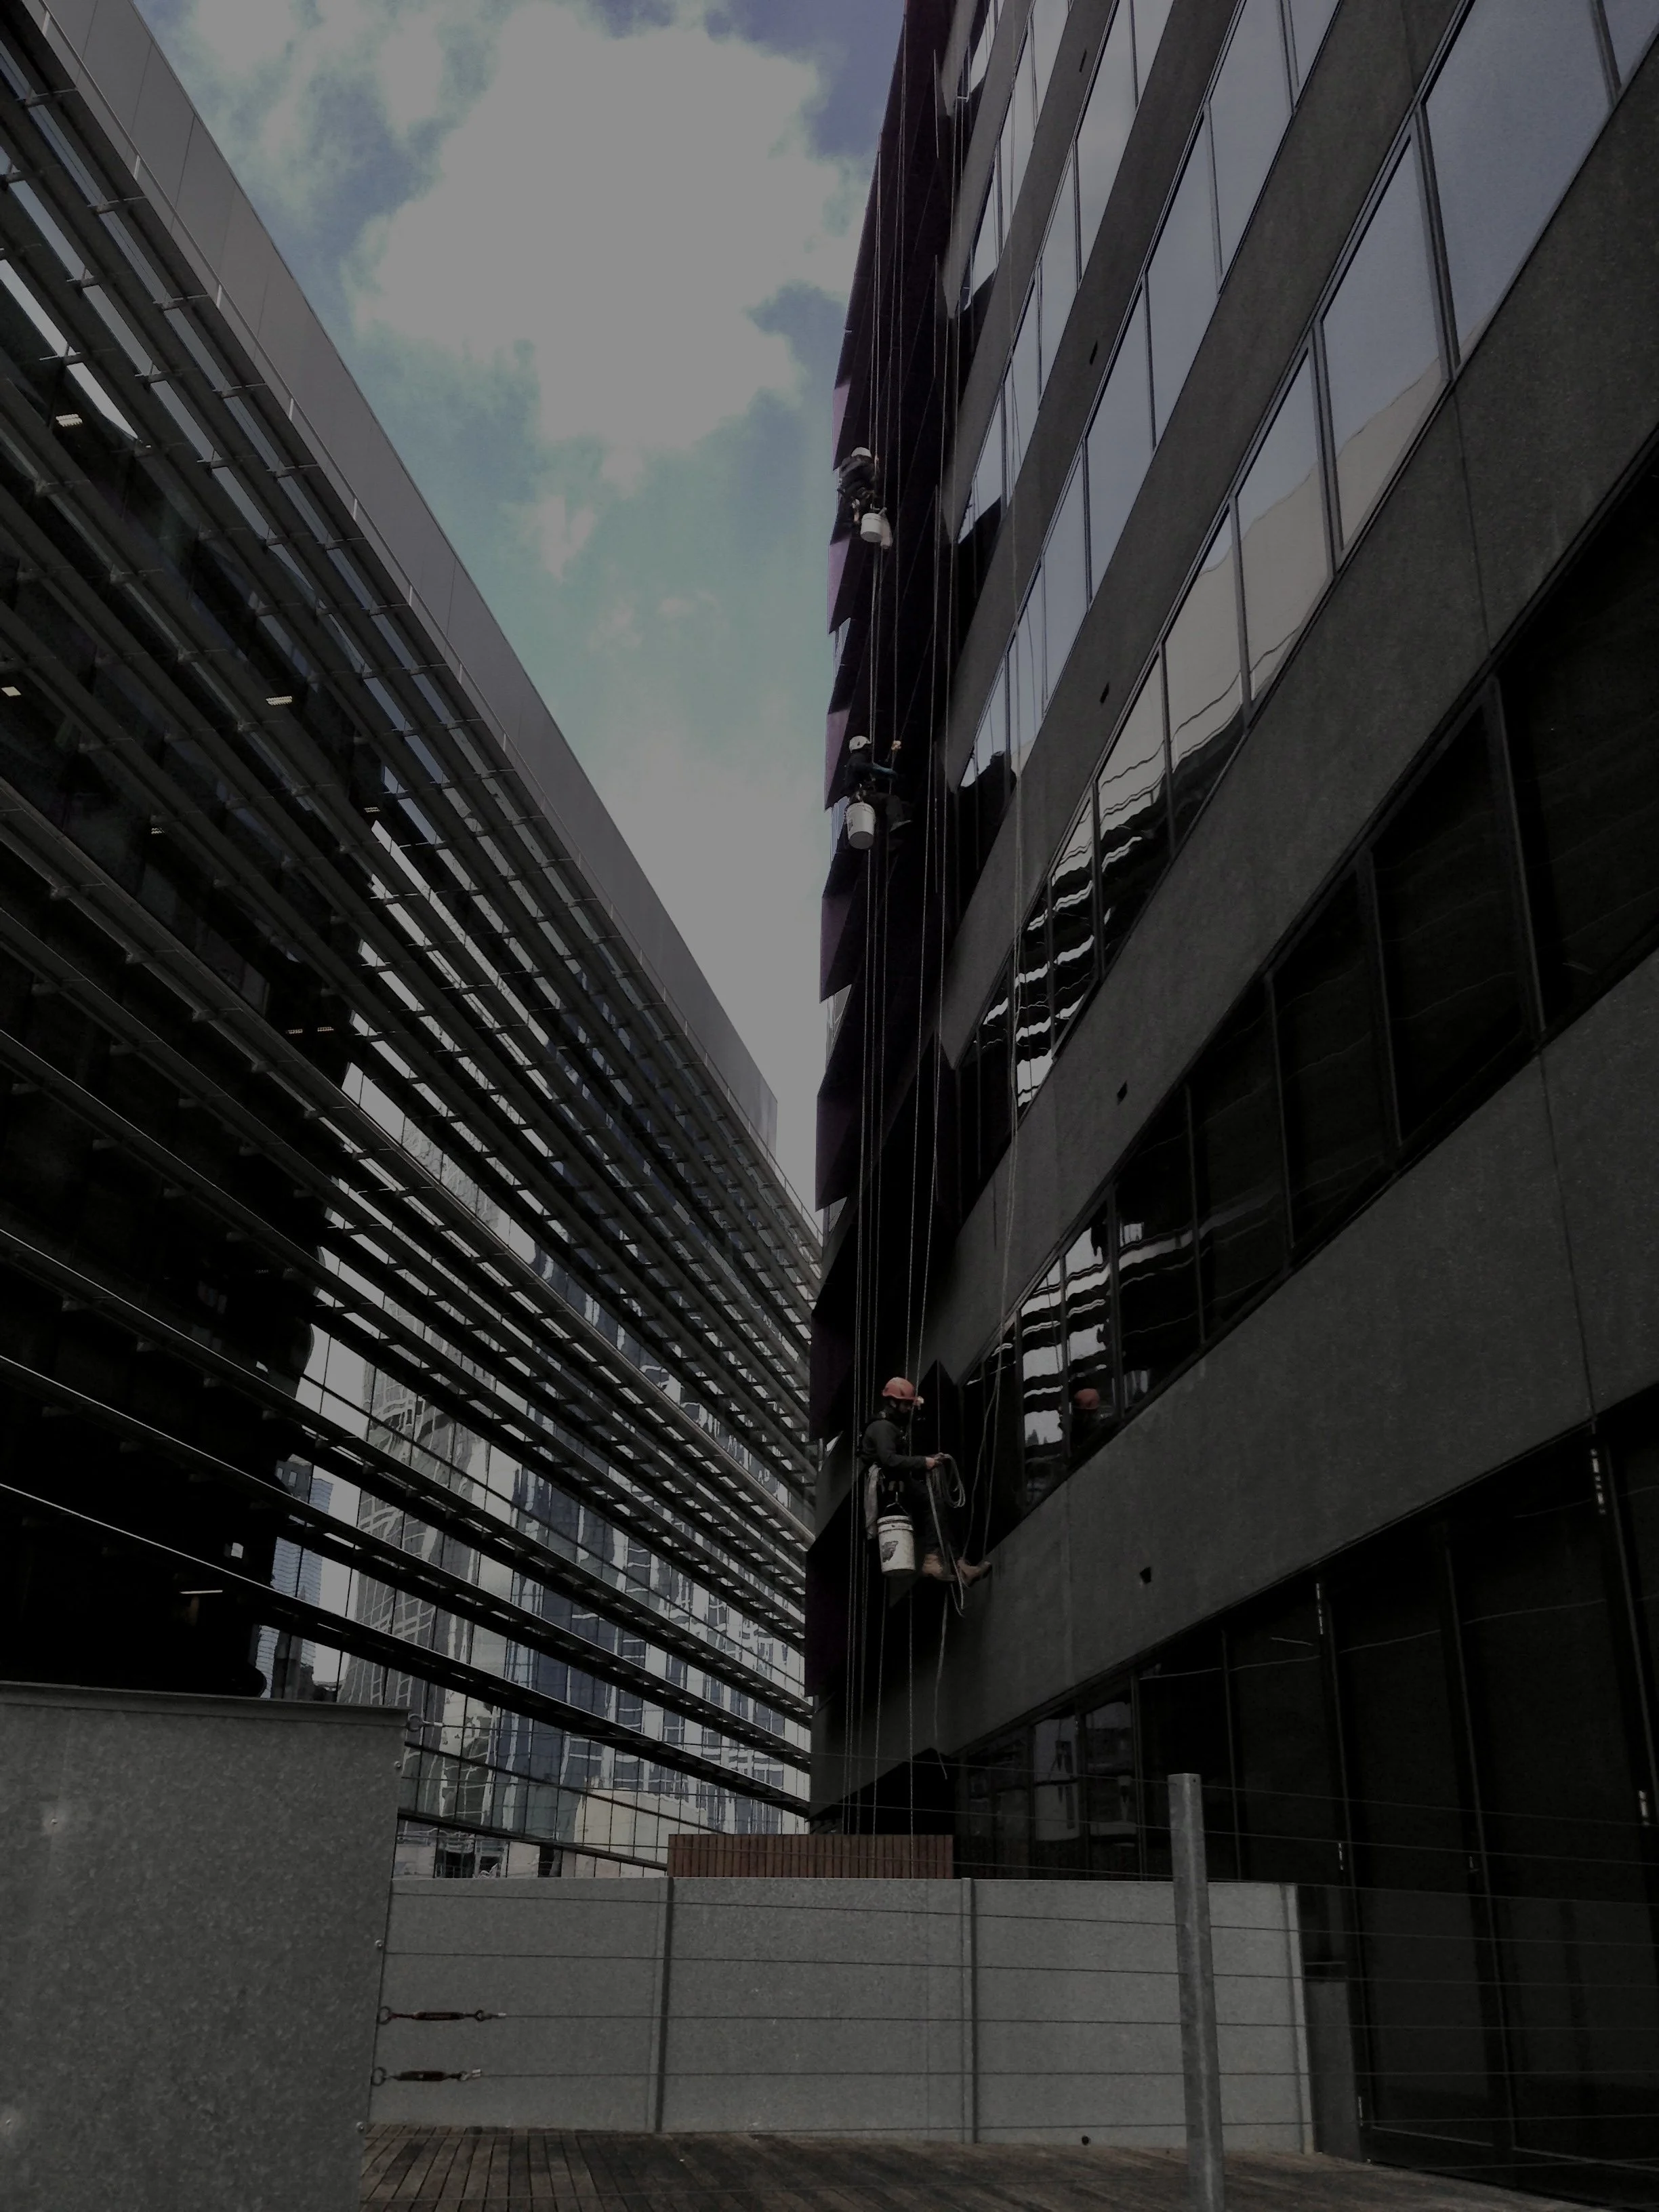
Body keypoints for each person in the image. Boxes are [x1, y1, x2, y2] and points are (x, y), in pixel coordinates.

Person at [861, 1376, 991, 1586]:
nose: (907, 1408)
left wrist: (929, 1459)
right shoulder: (883, 1427)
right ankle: (933, 1560)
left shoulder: (892, 1425)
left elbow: (906, 1434)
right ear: (893, 1402)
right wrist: (924, 1462)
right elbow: (889, 1460)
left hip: (896, 1483)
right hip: (890, 1486)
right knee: (934, 1505)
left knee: (938, 1509)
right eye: (905, 1404)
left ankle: (959, 1565)